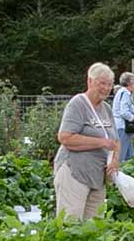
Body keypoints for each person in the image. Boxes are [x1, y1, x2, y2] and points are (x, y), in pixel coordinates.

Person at [52, 62, 121, 220]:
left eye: (109, 84)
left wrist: (115, 160)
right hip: (75, 172)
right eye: (102, 83)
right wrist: (101, 143)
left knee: (94, 225)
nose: (106, 88)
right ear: (90, 81)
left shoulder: (106, 108)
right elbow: (65, 137)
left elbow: (115, 140)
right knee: (70, 222)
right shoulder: (78, 104)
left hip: (98, 177)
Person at [112, 71, 134, 164]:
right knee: (121, 155)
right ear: (129, 83)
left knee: (129, 155)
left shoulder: (120, 92)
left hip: (120, 126)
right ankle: (116, 175)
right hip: (123, 127)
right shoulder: (125, 94)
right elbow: (124, 112)